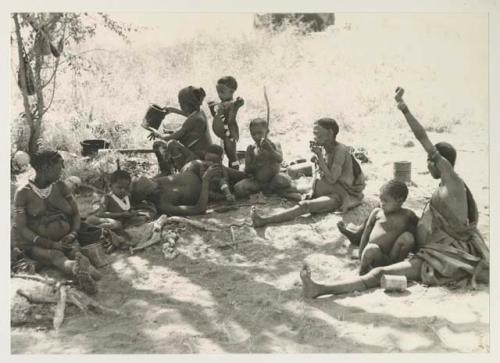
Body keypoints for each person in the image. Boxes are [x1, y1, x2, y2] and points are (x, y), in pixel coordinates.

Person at [300, 88, 490, 299]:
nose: (428, 165)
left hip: (443, 258)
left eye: (430, 161)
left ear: (438, 162)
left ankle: (321, 289)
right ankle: (360, 239)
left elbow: (422, 138)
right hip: (430, 249)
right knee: (388, 218)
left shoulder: (452, 181)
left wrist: (404, 108)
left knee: (379, 273)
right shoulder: (447, 186)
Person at [12, 150, 102, 294]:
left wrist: (72, 234)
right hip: (37, 243)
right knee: (55, 256)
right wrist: (51, 244)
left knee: (90, 267)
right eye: (59, 167)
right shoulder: (23, 193)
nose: (62, 171)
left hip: (65, 239)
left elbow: (76, 214)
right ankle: (77, 270)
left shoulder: (61, 187)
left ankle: (80, 267)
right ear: (45, 168)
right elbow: (22, 229)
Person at [251, 117, 366, 227]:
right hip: (324, 187)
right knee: (285, 188)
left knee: (305, 206)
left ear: (330, 133)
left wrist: (319, 157)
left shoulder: (340, 150)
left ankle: (263, 220)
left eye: (317, 133)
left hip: (339, 196)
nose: (314, 136)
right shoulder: (325, 148)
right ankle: (300, 194)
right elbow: (321, 173)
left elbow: (332, 179)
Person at [339, 180, 418, 275]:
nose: (382, 203)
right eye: (381, 199)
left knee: (408, 237)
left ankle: (397, 267)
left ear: (400, 201)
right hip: (376, 256)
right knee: (371, 249)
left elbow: (420, 225)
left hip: (392, 256)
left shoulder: (407, 214)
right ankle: (363, 271)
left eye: (385, 200)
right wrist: (361, 254)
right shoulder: (377, 212)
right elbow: (366, 234)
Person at [131, 158, 246, 216]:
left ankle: (245, 174)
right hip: (206, 191)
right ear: (148, 196)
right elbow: (198, 209)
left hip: (196, 171)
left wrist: (203, 172)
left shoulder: (156, 182)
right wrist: (205, 180)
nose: (157, 185)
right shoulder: (164, 205)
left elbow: (168, 173)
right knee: (236, 189)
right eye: (154, 188)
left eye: (153, 181)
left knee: (214, 168)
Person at [146, 86, 212, 175]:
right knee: (164, 141)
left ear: (187, 104)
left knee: (170, 144)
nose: (179, 104)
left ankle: (178, 172)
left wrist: (158, 134)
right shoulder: (200, 112)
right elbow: (188, 115)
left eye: (181, 103)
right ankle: (170, 168)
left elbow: (173, 137)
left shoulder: (194, 120)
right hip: (199, 154)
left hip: (198, 158)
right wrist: (172, 110)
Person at [233, 118, 300, 201]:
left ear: (267, 131)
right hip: (258, 182)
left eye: (260, 133)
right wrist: (257, 162)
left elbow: (280, 159)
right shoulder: (250, 148)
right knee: (238, 188)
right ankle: (269, 191)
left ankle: (269, 190)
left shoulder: (274, 144)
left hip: (274, 179)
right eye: (253, 134)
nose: (256, 136)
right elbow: (247, 170)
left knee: (281, 180)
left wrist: (270, 150)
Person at [86, 167, 153, 230]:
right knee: (91, 219)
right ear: (110, 186)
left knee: (141, 219)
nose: (123, 190)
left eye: (126, 188)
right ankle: (98, 228)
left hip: (123, 222)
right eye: (119, 188)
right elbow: (100, 214)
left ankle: (102, 228)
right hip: (111, 220)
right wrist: (121, 214)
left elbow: (129, 208)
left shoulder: (127, 196)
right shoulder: (108, 198)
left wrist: (132, 212)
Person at [208, 76, 245, 170]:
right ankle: (234, 164)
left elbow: (230, 120)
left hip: (229, 133)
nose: (219, 94)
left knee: (231, 154)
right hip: (224, 134)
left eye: (222, 92)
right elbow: (218, 117)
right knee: (228, 152)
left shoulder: (231, 104)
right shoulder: (222, 103)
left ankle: (235, 168)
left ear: (232, 91)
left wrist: (236, 104)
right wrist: (213, 109)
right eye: (218, 92)